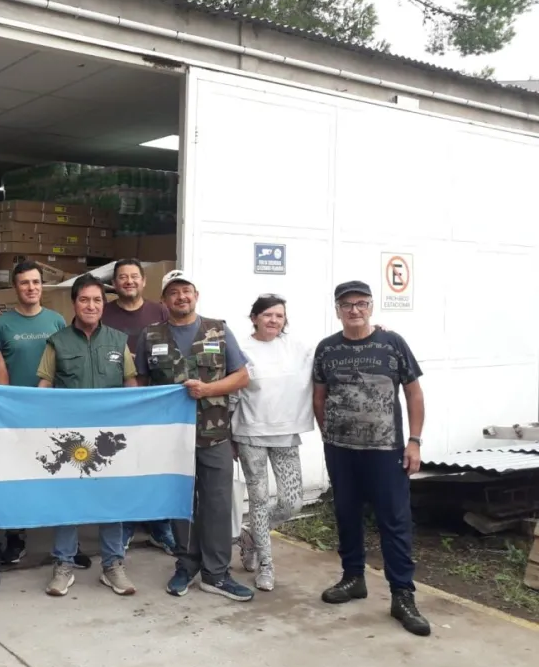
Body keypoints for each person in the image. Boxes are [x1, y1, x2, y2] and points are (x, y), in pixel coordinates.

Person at [312, 280, 429, 637]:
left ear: (372, 306)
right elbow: (319, 397)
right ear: (337, 310)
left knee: (394, 521)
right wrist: (329, 435)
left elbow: (414, 394)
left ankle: (402, 595)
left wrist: (414, 442)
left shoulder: (391, 343)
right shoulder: (327, 349)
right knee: (347, 515)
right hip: (341, 452)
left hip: (386, 451)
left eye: (361, 303)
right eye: (346, 305)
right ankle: (353, 579)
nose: (354, 310)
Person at [135, 269, 254, 602]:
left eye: (186, 291)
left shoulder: (219, 329)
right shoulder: (150, 335)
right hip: (171, 439)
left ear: (196, 295)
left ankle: (216, 573)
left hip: (214, 436)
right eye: (173, 292)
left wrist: (208, 389)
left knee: (216, 505)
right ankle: (186, 565)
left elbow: (242, 377)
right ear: (164, 300)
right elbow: (141, 386)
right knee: (181, 505)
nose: (181, 297)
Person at [37, 274, 138, 597]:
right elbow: (44, 387)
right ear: (74, 303)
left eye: (97, 300)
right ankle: (64, 565)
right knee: (69, 501)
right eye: (84, 300)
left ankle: (112, 565)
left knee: (112, 500)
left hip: (110, 438)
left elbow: (131, 386)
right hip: (69, 439)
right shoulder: (58, 342)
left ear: (104, 305)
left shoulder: (118, 341)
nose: (91, 305)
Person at [0, 261, 91, 569]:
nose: (31, 288)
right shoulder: (2, 325)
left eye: (35, 282)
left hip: (53, 413)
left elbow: (67, 362)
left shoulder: (57, 320)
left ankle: (71, 544)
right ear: (16, 288)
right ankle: (15, 538)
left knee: (62, 476)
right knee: (17, 477)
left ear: (41, 286)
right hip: (17, 414)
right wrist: (7, 406)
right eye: (24, 283)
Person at [231, 294, 312, 592]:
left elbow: (329, 355)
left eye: (279, 316)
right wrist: (228, 436)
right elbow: (231, 390)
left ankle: (251, 534)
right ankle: (266, 564)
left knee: (292, 503)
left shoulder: (297, 348)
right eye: (267, 315)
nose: (274, 320)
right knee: (259, 499)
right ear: (254, 317)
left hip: (286, 432)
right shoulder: (240, 348)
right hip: (250, 431)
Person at [101, 258, 175, 555]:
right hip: (116, 404)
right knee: (122, 466)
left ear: (144, 282)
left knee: (158, 467)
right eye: (122, 277)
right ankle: (126, 525)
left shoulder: (161, 312)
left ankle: (160, 525)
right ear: (115, 284)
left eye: (134, 276)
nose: (128, 281)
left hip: (157, 406)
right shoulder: (102, 312)